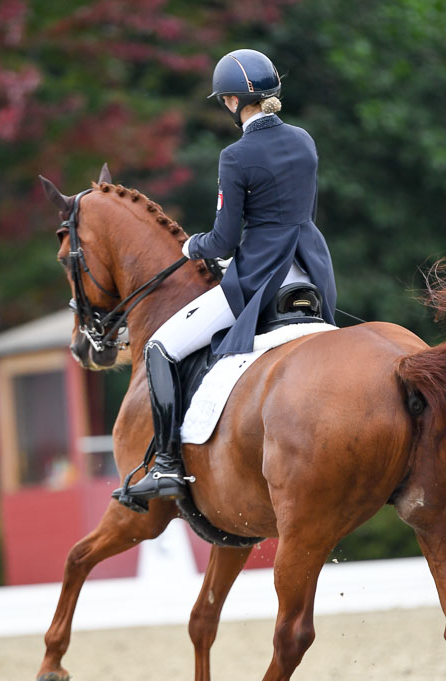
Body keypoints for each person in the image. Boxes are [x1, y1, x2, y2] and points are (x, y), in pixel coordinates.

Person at [113, 48, 337, 511]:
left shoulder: (236, 156)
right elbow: (297, 215)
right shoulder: (304, 140)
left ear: (233, 101)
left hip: (260, 277)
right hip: (312, 272)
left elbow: (224, 241)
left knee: (160, 347)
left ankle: (167, 464)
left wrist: (191, 247)